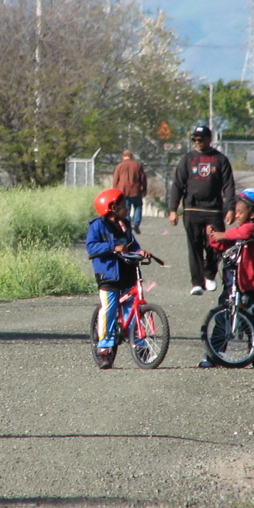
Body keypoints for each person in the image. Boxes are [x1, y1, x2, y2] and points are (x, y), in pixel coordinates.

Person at [200, 187, 254, 371]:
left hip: (250, 286)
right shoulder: (237, 232)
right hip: (232, 285)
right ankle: (215, 354)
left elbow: (244, 233)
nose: (236, 215)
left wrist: (223, 234)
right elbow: (223, 243)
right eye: (235, 211)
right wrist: (213, 236)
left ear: (252, 214)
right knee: (222, 318)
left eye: (240, 212)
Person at [86, 188, 151, 369]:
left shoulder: (126, 224)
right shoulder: (97, 226)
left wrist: (140, 252)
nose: (127, 207)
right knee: (109, 308)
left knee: (133, 309)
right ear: (112, 207)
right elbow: (91, 247)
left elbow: (132, 245)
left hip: (127, 272)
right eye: (123, 205)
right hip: (108, 275)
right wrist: (114, 247)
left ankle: (140, 343)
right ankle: (104, 350)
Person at [168, 124, 236, 295]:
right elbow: (177, 185)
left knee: (215, 244)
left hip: (213, 210)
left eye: (200, 139)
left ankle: (210, 274)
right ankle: (197, 282)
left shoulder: (220, 159)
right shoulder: (187, 159)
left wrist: (231, 208)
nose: (197, 142)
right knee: (195, 246)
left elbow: (228, 185)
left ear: (209, 139)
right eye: (194, 140)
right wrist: (173, 209)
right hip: (192, 209)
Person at [112, 150, 148, 234]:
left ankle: (127, 225)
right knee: (138, 207)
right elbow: (143, 178)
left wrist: (115, 190)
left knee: (126, 208)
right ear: (132, 156)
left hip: (123, 191)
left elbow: (115, 179)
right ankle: (136, 224)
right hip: (136, 190)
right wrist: (144, 189)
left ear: (123, 156)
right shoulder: (138, 165)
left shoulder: (119, 166)